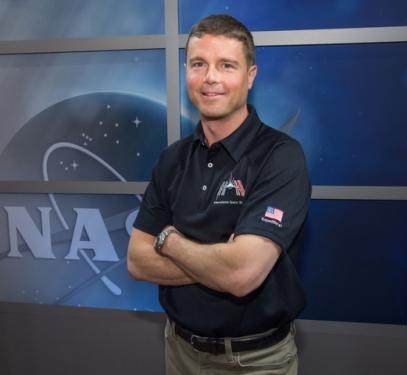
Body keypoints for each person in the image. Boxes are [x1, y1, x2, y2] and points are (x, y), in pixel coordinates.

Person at [127, 14, 311, 375]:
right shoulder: (172, 159)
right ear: (187, 72)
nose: (210, 78)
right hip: (179, 352)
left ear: (250, 75)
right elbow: (136, 261)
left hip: (256, 362)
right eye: (199, 64)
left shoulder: (280, 156)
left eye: (226, 65)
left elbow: (241, 275)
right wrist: (219, 259)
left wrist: (169, 241)